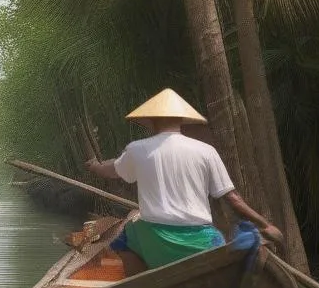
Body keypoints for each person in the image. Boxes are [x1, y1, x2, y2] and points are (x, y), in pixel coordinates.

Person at [84, 88, 284, 275]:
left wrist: (95, 166)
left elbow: (111, 170)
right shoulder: (206, 150)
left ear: (152, 120)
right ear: (181, 120)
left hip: (155, 238)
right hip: (201, 241)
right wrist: (266, 225)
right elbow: (234, 199)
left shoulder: (137, 149)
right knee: (220, 240)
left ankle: (146, 282)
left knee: (119, 241)